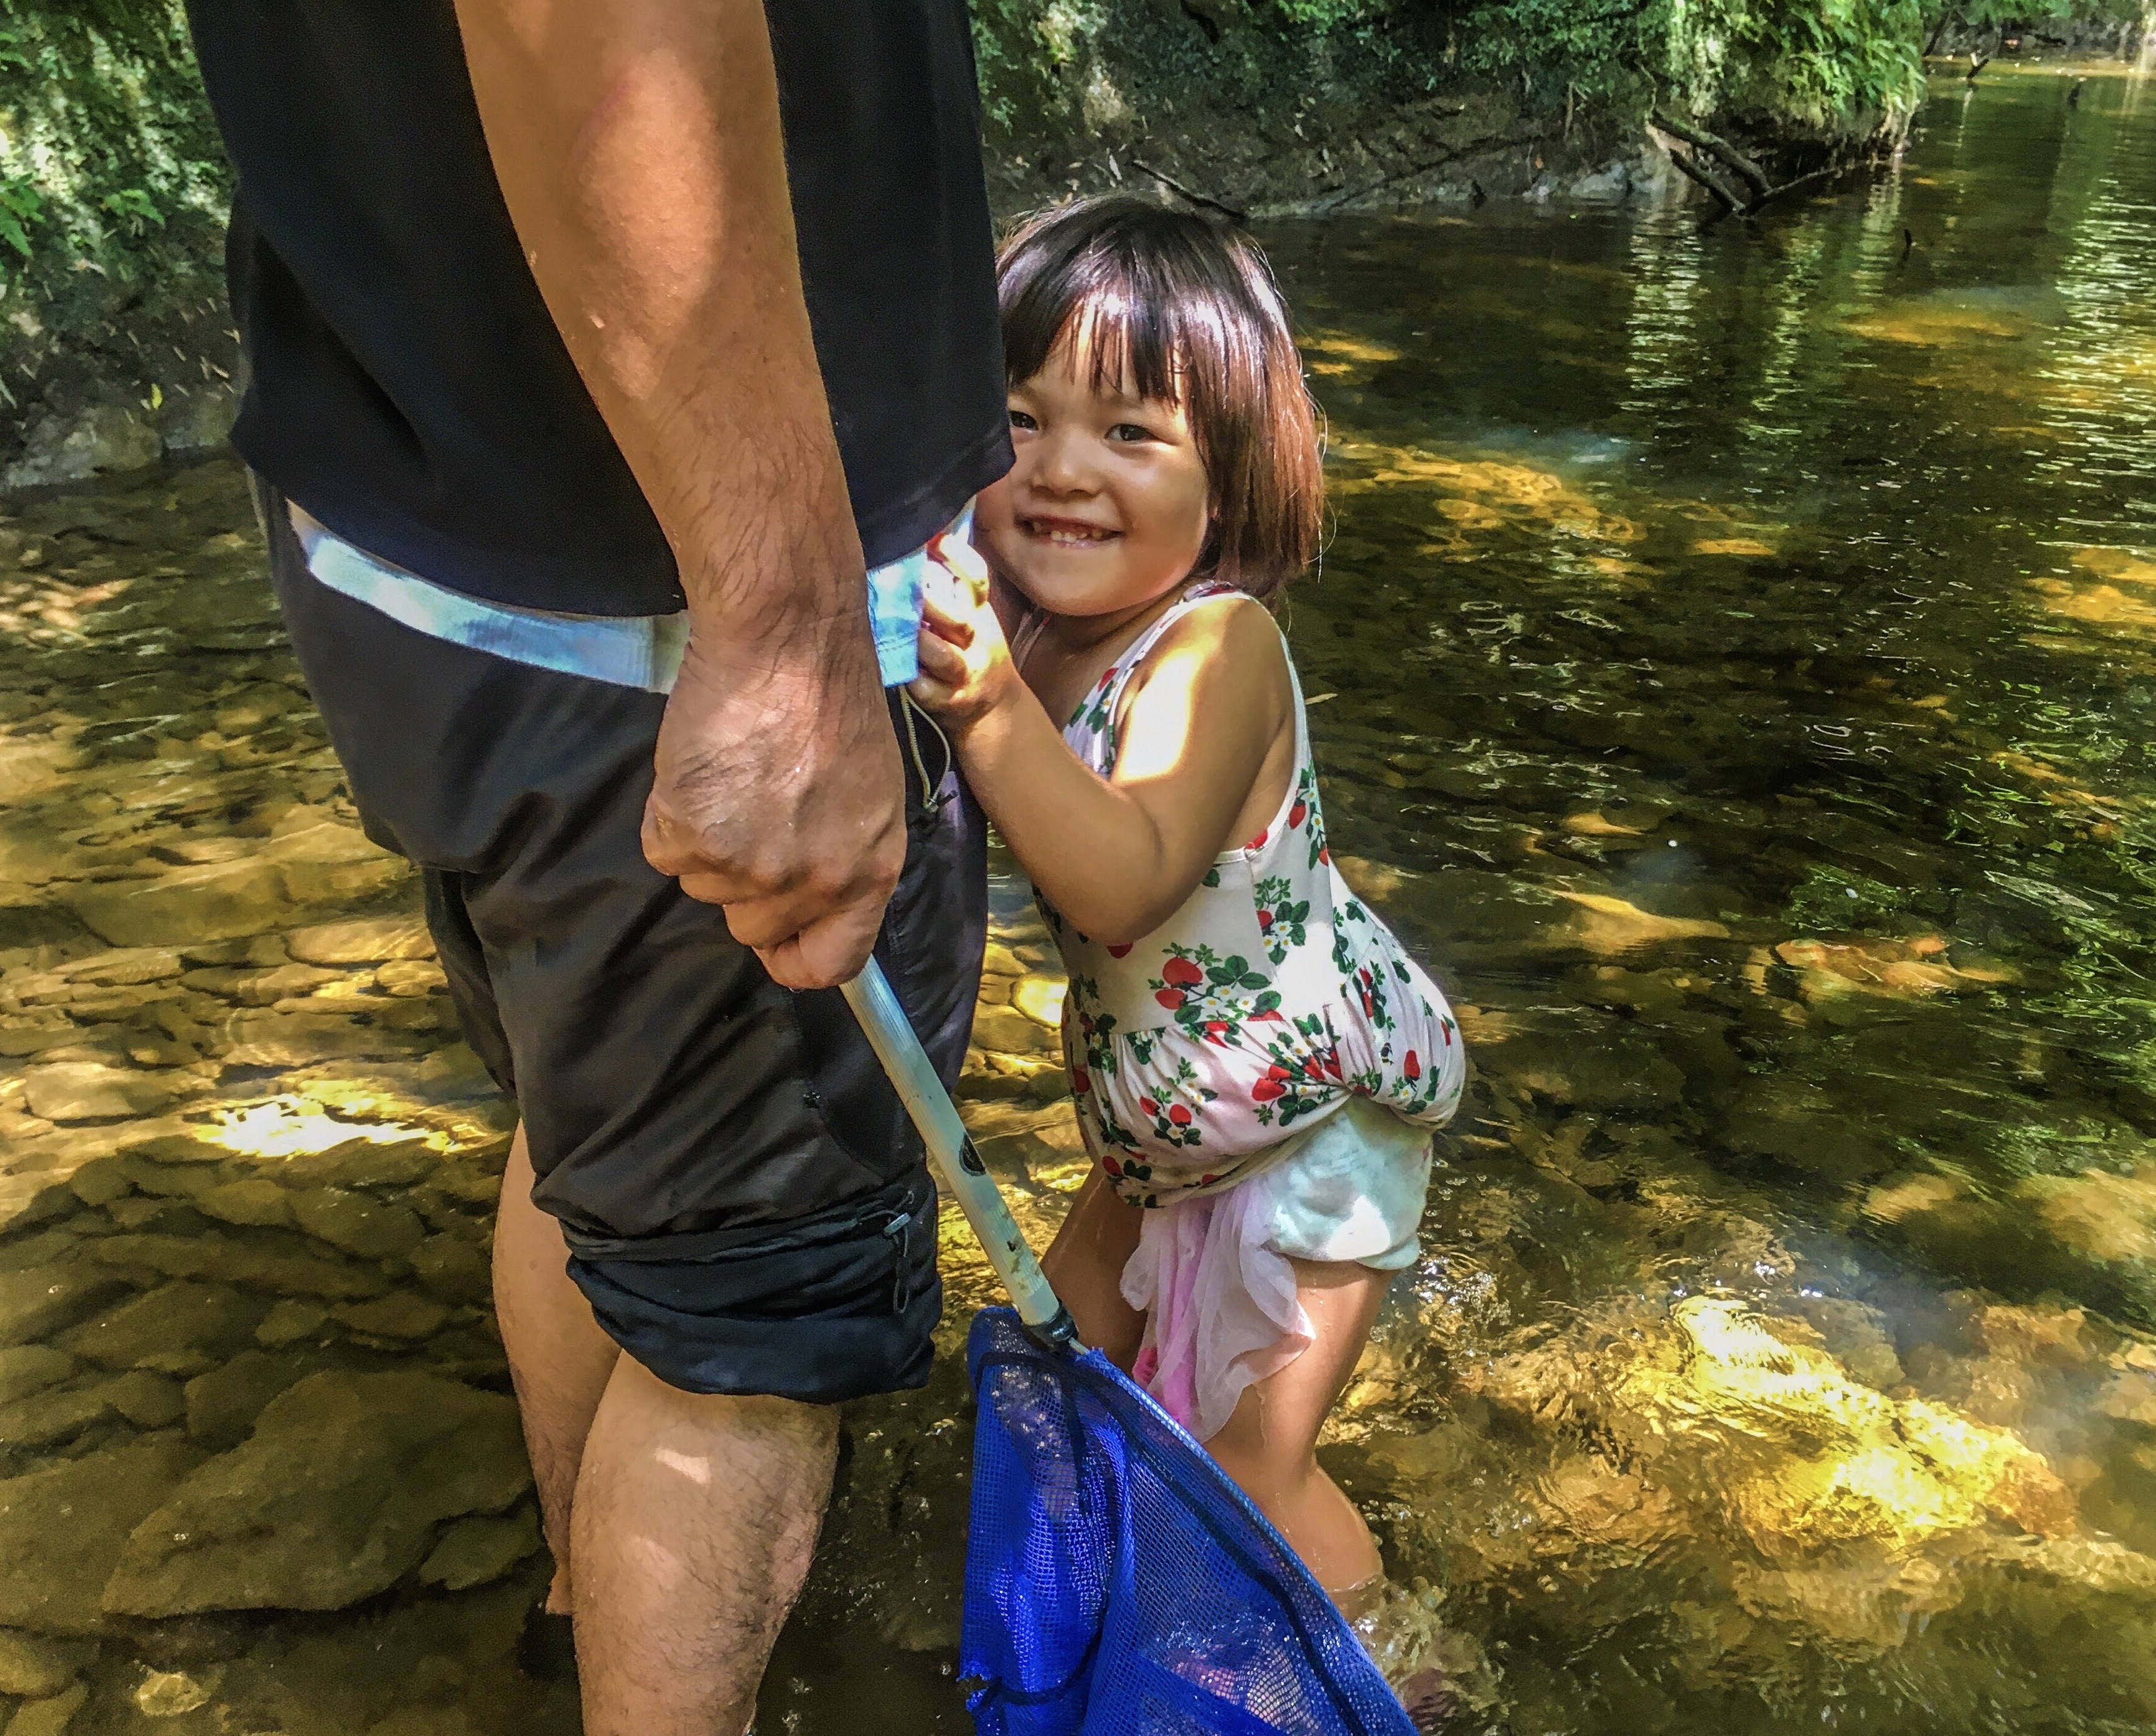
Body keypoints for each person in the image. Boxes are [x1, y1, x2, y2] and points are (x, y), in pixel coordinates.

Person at [181, 1, 1009, 1731]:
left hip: (427, 551)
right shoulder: (737, 608)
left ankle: (579, 1618)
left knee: (590, 1145)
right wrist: (784, 624)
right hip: (672, 601)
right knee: (757, 1324)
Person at [908, 197, 1467, 1625]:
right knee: (1061, 1376)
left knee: (1249, 1469)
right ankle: (1124, 1614)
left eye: (1130, 433)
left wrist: (984, 707)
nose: (1061, 470)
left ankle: (1396, 1679)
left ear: (1231, 480)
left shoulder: (1219, 645)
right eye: (1018, 420)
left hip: (1310, 1132)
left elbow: (1125, 876)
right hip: (1167, 1137)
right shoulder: (1030, 630)